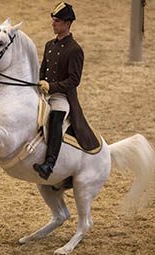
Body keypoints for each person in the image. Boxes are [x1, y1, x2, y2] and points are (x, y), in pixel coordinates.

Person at [33, 2, 99, 180]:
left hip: (62, 96)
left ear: (67, 24)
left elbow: (74, 80)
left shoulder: (75, 50)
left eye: (57, 21)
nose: (53, 24)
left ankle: (49, 164)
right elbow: (43, 69)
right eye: (53, 20)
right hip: (45, 92)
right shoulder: (49, 45)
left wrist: (52, 87)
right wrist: (40, 82)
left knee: (55, 118)